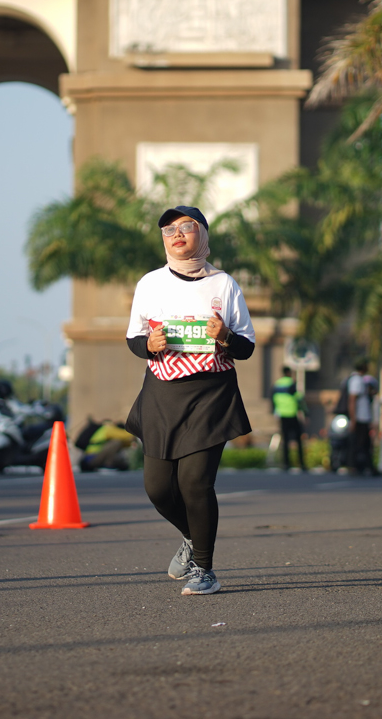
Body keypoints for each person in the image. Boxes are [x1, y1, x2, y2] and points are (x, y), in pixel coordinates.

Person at [125, 205, 257, 596]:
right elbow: (134, 338)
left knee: (195, 482)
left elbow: (246, 346)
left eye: (187, 226)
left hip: (210, 393)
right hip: (162, 393)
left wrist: (225, 336)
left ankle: (204, 569)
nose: (177, 234)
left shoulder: (224, 285)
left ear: (203, 234)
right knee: (157, 488)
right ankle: (190, 537)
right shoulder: (150, 283)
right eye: (169, 230)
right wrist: (149, 345)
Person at [271, 366, 308, 472]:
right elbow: (298, 398)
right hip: (292, 414)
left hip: (282, 414)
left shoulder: (277, 384)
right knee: (298, 439)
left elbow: (273, 399)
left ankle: (286, 464)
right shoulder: (291, 383)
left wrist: (275, 412)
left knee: (286, 439)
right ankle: (301, 463)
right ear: (289, 373)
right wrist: (305, 412)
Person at [347, 359, 380, 475]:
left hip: (364, 417)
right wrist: (353, 419)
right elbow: (352, 400)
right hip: (360, 418)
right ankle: (355, 466)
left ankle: (367, 466)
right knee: (359, 443)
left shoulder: (362, 380)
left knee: (366, 443)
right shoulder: (356, 380)